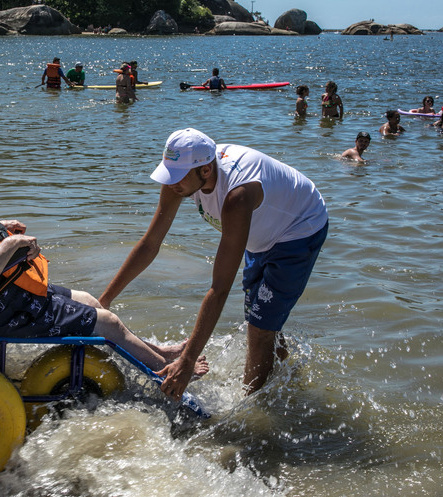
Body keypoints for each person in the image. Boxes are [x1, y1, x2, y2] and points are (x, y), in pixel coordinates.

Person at [0, 162, 209, 378]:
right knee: (107, 321)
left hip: (8, 296)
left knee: (91, 300)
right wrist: (9, 246)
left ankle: (158, 352)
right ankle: (164, 372)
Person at [99, 128, 328, 398]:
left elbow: (219, 289)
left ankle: (251, 410)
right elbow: (150, 244)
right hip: (260, 234)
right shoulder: (182, 177)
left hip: (299, 229)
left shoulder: (237, 196)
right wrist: (104, 302)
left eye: (178, 177)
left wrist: (187, 361)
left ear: (206, 171)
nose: (172, 183)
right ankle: (288, 382)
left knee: (258, 327)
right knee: (259, 317)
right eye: (168, 174)